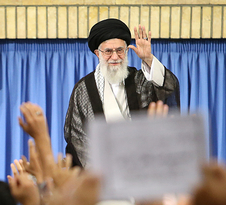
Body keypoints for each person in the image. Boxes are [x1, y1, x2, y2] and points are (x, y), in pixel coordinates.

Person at [64, 18, 180, 167]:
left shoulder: (139, 80)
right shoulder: (84, 89)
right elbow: (77, 137)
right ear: (97, 53)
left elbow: (168, 88)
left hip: (142, 166)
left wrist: (148, 59)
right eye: (108, 51)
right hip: (102, 172)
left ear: (126, 50)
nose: (115, 57)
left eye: (120, 50)